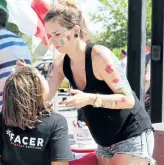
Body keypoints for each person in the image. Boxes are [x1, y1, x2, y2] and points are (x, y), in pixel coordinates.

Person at [17, 1, 155, 165]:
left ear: (75, 30)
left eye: (57, 34)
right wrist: (30, 76)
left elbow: (128, 100)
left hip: (132, 135)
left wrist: (89, 98)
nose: (53, 40)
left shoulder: (99, 56)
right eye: (49, 35)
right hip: (104, 143)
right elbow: (44, 98)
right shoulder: (61, 63)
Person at [0, 66, 73, 165]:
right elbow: (60, 163)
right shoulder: (56, 122)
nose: (46, 79)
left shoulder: (6, 116)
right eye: (42, 77)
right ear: (37, 90)